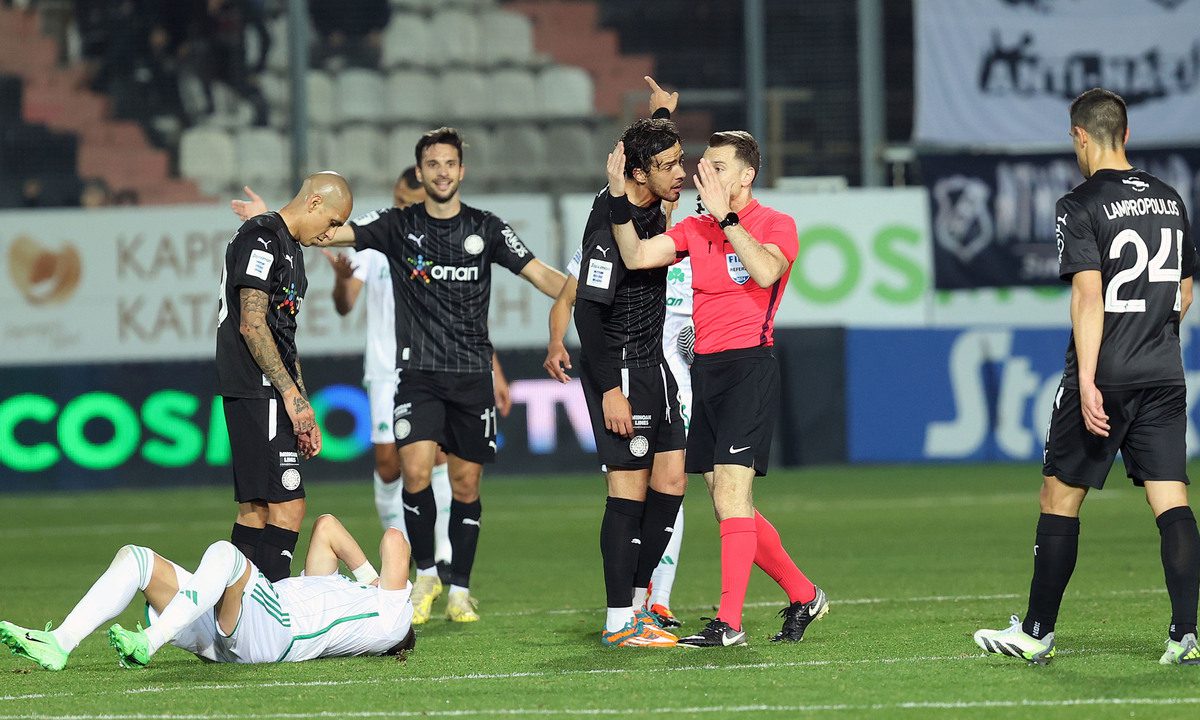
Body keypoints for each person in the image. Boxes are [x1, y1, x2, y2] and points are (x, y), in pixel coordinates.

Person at [974, 88, 1200, 666]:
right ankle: (1185, 635)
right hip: (1164, 372)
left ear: (1080, 136)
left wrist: (1092, 379)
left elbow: (1087, 297)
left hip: (1107, 374)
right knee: (1172, 501)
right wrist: (1154, 334)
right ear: (1125, 133)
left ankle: (1036, 633)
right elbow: (1184, 290)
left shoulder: (1079, 203)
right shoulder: (1170, 198)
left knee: (1059, 496)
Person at [321, 127, 566, 624]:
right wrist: (282, 221)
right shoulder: (397, 225)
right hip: (418, 375)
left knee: (465, 485)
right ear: (421, 170)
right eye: (433, 164)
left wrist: (601, 290)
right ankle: (427, 573)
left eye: (449, 163)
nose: (442, 172)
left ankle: (461, 589)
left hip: (471, 376)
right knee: (414, 473)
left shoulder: (486, 227)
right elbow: (333, 233)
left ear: (461, 170)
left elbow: (542, 275)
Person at [233, 168, 513, 585]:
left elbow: (467, 317)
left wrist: (495, 370)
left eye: (407, 201)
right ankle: (400, 547)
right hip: (384, 368)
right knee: (387, 464)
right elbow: (339, 298)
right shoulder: (379, 237)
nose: (400, 207)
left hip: (436, 365)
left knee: (437, 456)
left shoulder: (444, 244)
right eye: (397, 199)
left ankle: (438, 554)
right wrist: (337, 276)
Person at [605, 131, 826, 648]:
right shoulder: (695, 228)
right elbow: (636, 256)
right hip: (706, 371)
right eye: (704, 165)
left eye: (718, 167)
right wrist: (616, 196)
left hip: (750, 366)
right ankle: (803, 594)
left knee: (730, 493)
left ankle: (729, 623)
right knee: (728, 501)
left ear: (747, 176)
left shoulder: (776, 224)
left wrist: (727, 218)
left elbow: (766, 271)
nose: (704, 174)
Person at [544, 78, 688, 648]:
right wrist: (608, 389)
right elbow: (587, 311)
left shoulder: (648, 201)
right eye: (669, 165)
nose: (681, 173)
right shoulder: (608, 227)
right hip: (623, 367)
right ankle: (617, 620)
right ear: (638, 175)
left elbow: (650, 157)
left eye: (680, 161)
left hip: (655, 364)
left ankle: (639, 604)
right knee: (627, 494)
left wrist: (660, 117)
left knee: (671, 481)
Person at [0, 514, 414, 670]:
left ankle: (149, 641)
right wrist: (365, 576)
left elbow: (395, 538)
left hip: (278, 630)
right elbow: (327, 527)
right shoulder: (343, 591)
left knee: (226, 554)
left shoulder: (391, 617)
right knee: (137, 559)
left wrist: (376, 583)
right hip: (241, 630)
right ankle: (61, 641)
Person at [217, 171, 352, 584]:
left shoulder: (290, 249)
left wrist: (302, 405)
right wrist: (292, 398)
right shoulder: (261, 238)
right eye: (332, 222)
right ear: (314, 203)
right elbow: (252, 324)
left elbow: (284, 336)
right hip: (256, 388)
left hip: (267, 390)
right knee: (287, 506)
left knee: (256, 511)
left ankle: (237, 608)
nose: (331, 234)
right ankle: (271, 608)